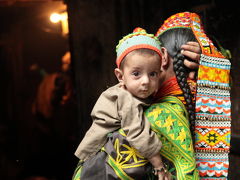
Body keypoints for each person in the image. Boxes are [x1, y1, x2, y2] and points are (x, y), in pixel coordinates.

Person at [74, 28, 167, 180]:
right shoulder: (125, 98)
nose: (146, 81)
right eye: (136, 74)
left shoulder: (134, 91)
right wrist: (158, 165)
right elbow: (137, 133)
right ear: (120, 76)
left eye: (153, 74)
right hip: (101, 159)